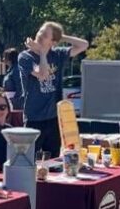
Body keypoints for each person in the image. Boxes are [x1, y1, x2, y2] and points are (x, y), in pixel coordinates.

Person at [18, 21, 88, 157]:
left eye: (45, 35)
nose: (39, 35)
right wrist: (41, 54)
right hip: (34, 117)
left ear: (53, 42)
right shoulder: (25, 57)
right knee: (28, 158)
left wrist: (62, 37)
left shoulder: (58, 55)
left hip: (53, 118)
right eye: (40, 31)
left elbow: (84, 45)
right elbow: (42, 75)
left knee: (54, 158)